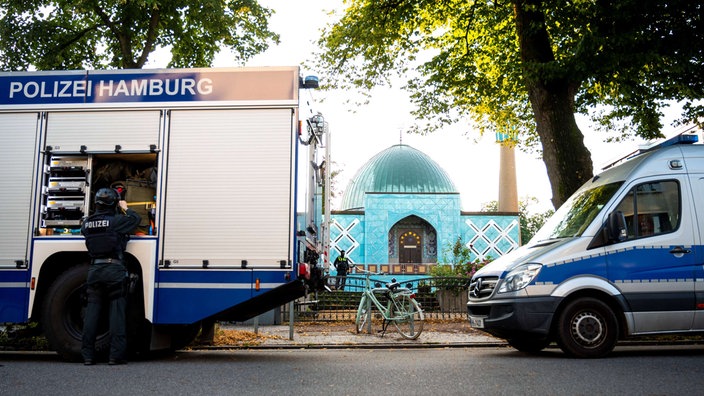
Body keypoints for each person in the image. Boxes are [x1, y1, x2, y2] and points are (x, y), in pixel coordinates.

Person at [81, 188, 140, 365]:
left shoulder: (87, 223)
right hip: (114, 270)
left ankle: (87, 356)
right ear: (114, 203)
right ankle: (116, 356)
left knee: (91, 315)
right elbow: (136, 220)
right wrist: (125, 208)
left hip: (94, 271)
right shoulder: (116, 221)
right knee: (117, 316)